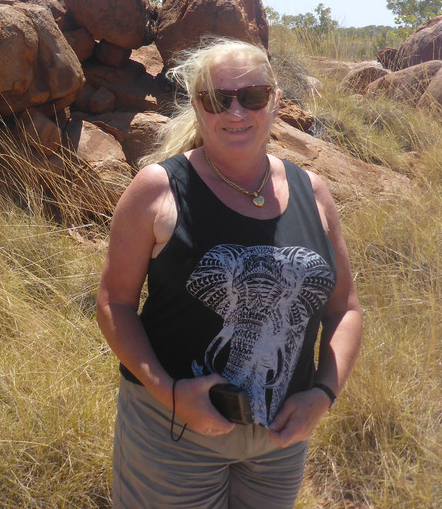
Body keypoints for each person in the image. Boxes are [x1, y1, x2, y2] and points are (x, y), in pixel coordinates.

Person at [96, 36, 362, 509]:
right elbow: (114, 304)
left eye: (252, 96)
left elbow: (344, 310)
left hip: (280, 441)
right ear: (198, 108)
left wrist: (322, 394)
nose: (235, 112)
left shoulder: (313, 193)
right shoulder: (158, 190)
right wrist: (170, 392)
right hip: (172, 432)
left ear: (276, 101)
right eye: (217, 99)